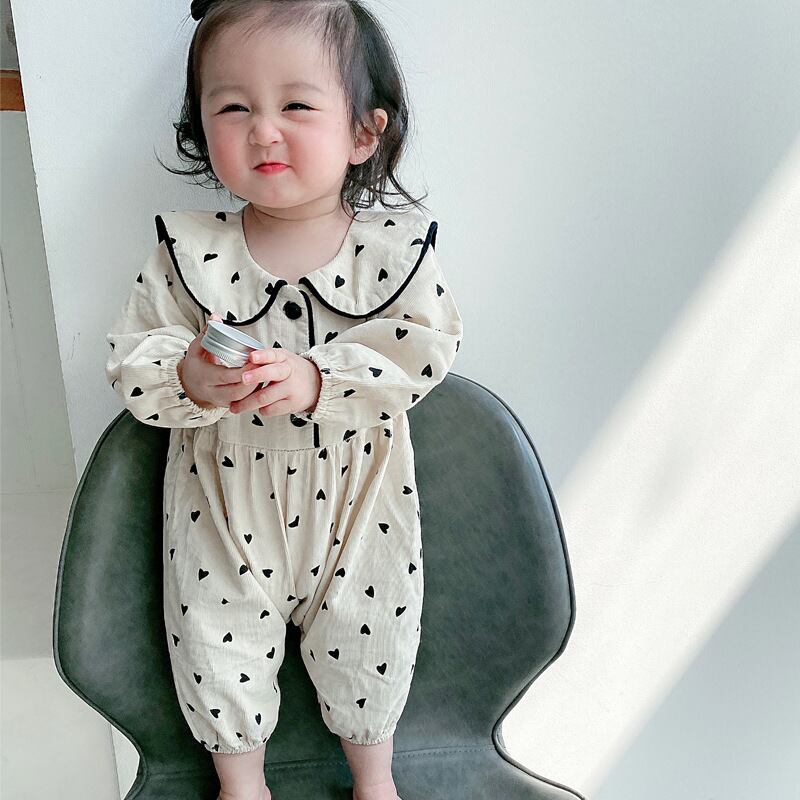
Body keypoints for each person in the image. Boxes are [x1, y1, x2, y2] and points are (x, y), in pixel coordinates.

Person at [105, 2, 463, 799]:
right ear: (201, 128)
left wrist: (320, 379)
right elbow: (133, 354)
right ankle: (241, 784)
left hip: (358, 500)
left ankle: (374, 777)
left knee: (374, 631)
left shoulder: (393, 254)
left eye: (296, 105)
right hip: (222, 501)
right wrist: (190, 378)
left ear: (364, 133)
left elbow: (424, 348)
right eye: (233, 108)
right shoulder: (188, 254)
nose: (264, 131)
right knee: (213, 639)